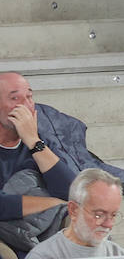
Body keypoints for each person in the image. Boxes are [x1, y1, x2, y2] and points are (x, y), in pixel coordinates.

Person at [0, 73, 77, 257]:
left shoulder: (40, 143)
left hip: (44, 235)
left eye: (29, 96)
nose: (26, 105)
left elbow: (73, 193)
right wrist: (53, 203)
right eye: (15, 98)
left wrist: (34, 141)